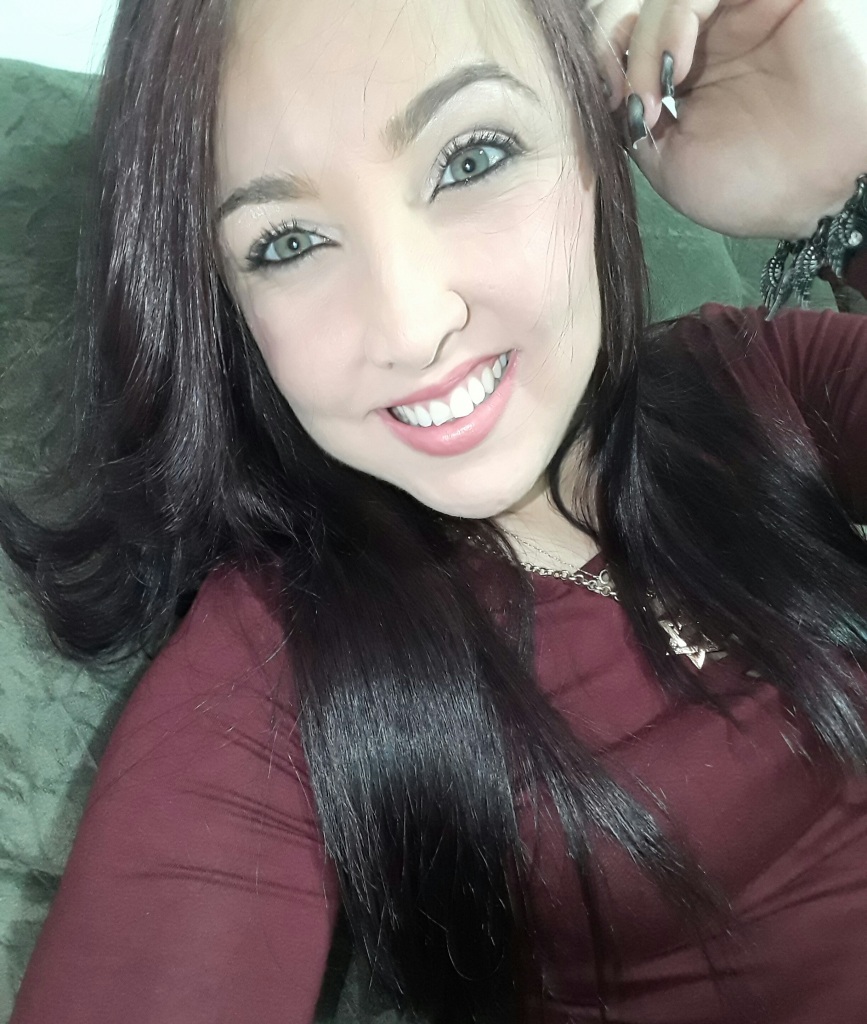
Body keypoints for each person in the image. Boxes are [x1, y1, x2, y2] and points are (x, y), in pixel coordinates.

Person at [3, 0, 867, 1020]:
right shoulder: (275, 656)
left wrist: (851, 174)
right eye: (286, 241)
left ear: (594, 142)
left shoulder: (752, 377)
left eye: (470, 158)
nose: (411, 326)